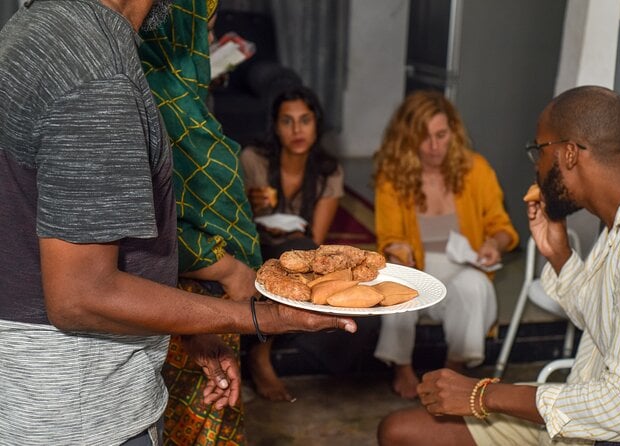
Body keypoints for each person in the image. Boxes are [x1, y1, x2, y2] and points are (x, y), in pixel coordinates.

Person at [0, 1, 357, 444]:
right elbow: (80, 295)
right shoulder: (95, 77)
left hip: (41, 387)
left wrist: (187, 327)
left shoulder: (40, 27)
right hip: (80, 409)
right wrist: (267, 317)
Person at [377, 86, 620, 445]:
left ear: (568, 154)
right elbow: (598, 319)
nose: (537, 166)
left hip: (609, 430)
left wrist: (483, 394)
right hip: (581, 407)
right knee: (398, 432)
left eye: (539, 150)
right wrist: (559, 255)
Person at [138, 0, 262, 444]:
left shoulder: (177, 92)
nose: (209, 41)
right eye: (203, 28)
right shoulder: (151, 99)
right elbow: (143, 223)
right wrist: (229, 268)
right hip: (181, 297)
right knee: (195, 424)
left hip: (210, 299)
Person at [372, 90, 519, 399]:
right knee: (395, 279)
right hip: (418, 269)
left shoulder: (476, 169)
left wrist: (494, 243)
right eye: (424, 138)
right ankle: (402, 368)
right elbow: (388, 237)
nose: (435, 147)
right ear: (407, 137)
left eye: (441, 135)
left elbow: (503, 227)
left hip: (462, 268)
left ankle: (453, 370)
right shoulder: (393, 177)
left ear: (453, 130)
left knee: (476, 284)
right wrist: (398, 250)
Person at [239, 85, 345, 401]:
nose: (297, 130)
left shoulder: (328, 172)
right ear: (275, 126)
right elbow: (235, 224)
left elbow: (316, 241)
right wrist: (250, 205)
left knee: (306, 254)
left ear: (317, 124)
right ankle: (259, 356)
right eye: (287, 121)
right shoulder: (253, 159)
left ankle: (266, 350)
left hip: (298, 251)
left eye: (305, 120)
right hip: (254, 247)